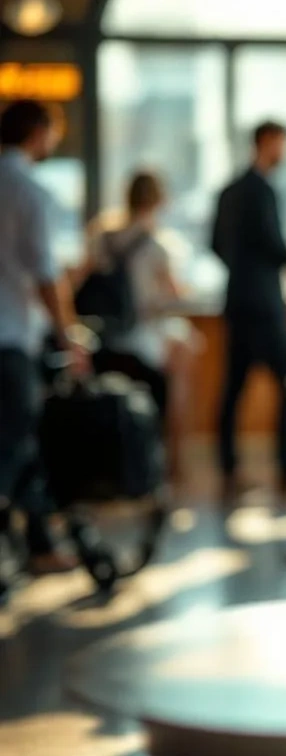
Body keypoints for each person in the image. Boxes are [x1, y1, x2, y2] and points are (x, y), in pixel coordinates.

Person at [0, 99, 88, 574]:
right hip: (11, 337)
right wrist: (69, 336)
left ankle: (39, 547)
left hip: (13, 335)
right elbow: (46, 276)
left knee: (26, 443)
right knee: (16, 443)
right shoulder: (28, 190)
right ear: (36, 132)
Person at [210, 120, 286, 493]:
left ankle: (228, 468)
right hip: (264, 305)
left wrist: (242, 273)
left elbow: (215, 245)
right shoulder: (262, 192)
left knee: (234, 388)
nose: (284, 152)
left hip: (237, 300)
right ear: (266, 142)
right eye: (281, 144)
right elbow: (274, 245)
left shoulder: (228, 191)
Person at [78, 170, 194, 430]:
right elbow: (175, 297)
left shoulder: (102, 237)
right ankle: (173, 452)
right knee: (186, 351)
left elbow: (78, 282)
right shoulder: (158, 247)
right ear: (159, 200)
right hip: (141, 333)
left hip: (103, 334)